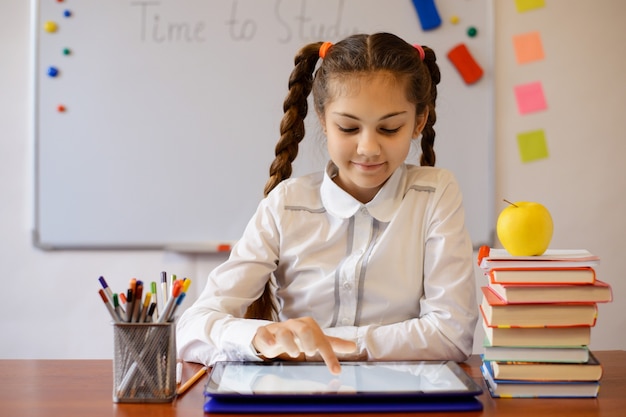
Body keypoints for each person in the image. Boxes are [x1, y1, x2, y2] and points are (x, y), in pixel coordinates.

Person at [177, 32, 478, 375]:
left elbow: (451, 334)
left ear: (418, 122)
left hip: (397, 398)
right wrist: (263, 337)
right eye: (348, 128)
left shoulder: (436, 194)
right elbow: (192, 328)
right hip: (298, 397)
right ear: (322, 120)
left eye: (390, 128)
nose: (368, 148)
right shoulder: (287, 204)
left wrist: (327, 343)